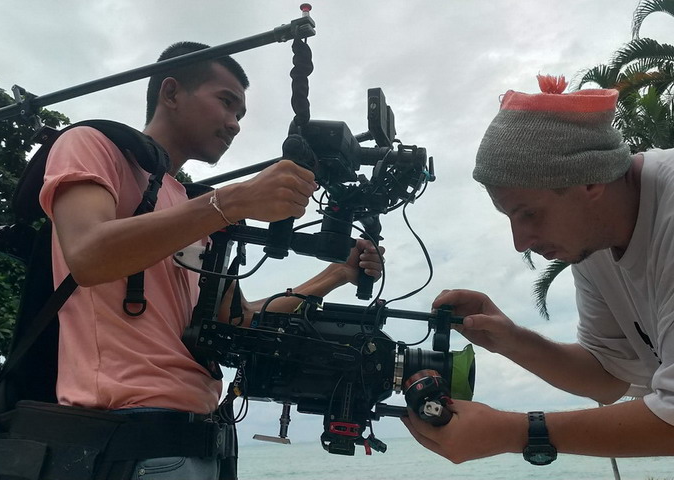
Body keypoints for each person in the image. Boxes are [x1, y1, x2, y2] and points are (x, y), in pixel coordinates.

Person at [39, 41, 383, 479]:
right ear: (171, 92)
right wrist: (233, 201)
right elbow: (87, 255)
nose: (234, 123)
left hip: (200, 440)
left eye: (241, 113)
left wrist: (336, 274)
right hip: (127, 435)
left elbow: (240, 319)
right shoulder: (91, 144)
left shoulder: (192, 206)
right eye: (226, 102)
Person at [402, 74, 674, 464]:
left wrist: (517, 432)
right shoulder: (594, 238)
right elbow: (609, 376)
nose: (520, 242)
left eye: (529, 213)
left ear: (590, 181)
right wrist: (510, 340)